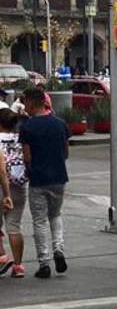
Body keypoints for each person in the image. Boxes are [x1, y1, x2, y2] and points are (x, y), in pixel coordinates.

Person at [19, 87, 69, 280]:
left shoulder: (27, 127)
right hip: (59, 177)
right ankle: (59, 249)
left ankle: (44, 262)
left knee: (39, 220)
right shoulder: (61, 124)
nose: (25, 107)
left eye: (25, 103)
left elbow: (27, 156)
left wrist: (30, 170)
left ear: (32, 103)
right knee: (55, 215)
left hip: (38, 180)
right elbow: (65, 152)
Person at [0, 107, 28, 277]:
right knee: (14, 227)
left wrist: (6, 194)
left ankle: (2, 257)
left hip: (1, 187)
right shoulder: (20, 139)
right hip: (19, 186)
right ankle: (18, 266)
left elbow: (1, 171)